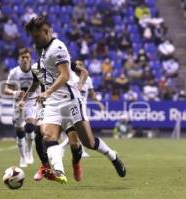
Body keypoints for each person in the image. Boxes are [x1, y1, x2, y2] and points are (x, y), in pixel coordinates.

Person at [21, 16, 126, 184]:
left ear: (46, 31)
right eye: (33, 37)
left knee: (88, 142)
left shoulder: (58, 47)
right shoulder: (41, 49)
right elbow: (40, 77)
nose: (34, 40)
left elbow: (65, 75)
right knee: (48, 136)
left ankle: (112, 156)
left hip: (70, 100)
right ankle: (59, 172)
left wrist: (47, 92)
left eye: (37, 36)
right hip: (52, 103)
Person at [4, 48, 37, 167]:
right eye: (22, 57)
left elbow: (40, 85)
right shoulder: (14, 72)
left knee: (30, 126)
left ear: (30, 59)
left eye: (27, 57)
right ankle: (22, 157)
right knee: (19, 131)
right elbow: (6, 89)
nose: (25, 60)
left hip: (31, 101)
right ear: (19, 59)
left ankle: (29, 152)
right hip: (18, 104)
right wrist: (15, 93)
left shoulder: (35, 71)